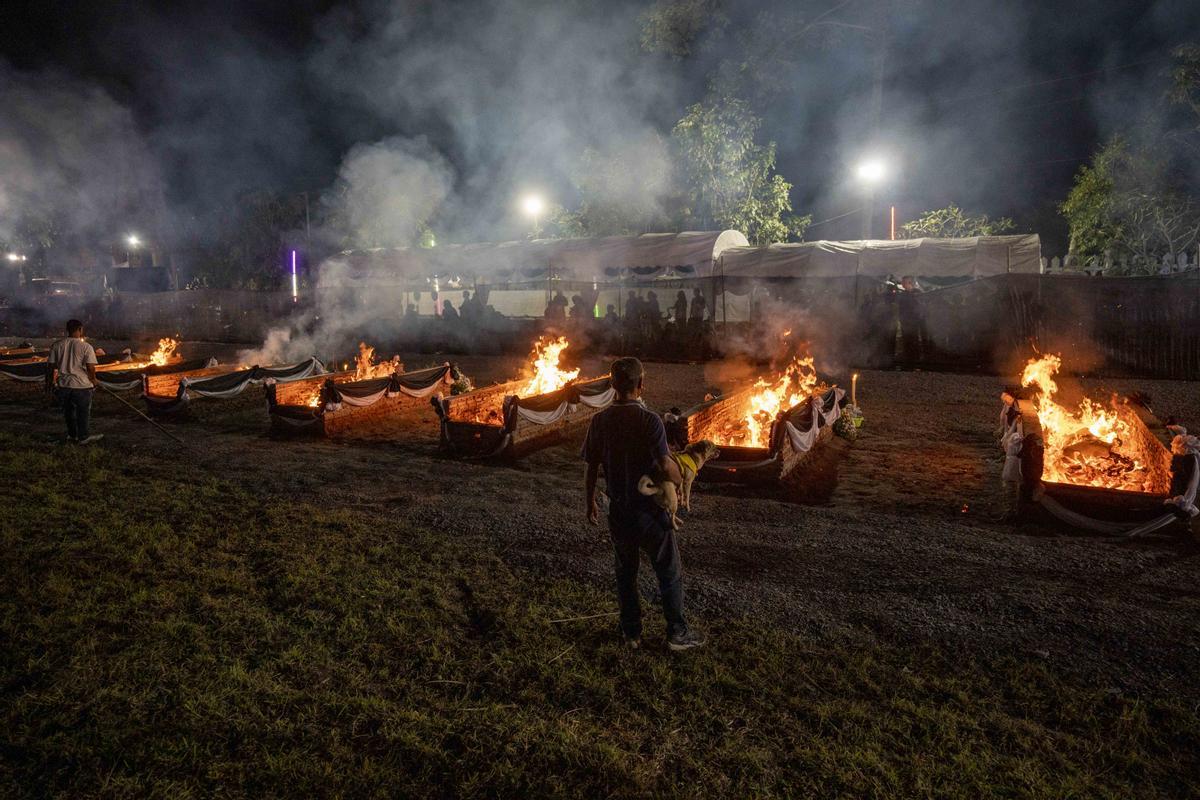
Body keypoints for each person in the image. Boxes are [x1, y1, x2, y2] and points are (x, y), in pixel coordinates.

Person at [582, 357, 704, 651]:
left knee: (626, 572)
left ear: (612, 385)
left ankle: (631, 633)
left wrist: (589, 502)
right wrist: (682, 470)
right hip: (649, 512)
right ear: (641, 385)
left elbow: (590, 465)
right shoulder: (650, 420)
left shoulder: (599, 421)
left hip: (618, 509)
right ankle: (677, 634)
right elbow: (664, 465)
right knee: (668, 571)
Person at [45, 318, 103, 444]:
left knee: (68, 412)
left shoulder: (57, 345)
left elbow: (50, 367)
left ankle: (72, 435)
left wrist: (49, 384)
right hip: (82, 386)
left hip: (64, 385)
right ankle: (83, 437)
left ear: (67, 330)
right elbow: (90, 367)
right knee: (83, 412)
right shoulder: (86, 347)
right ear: (80, 329)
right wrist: (93, 380)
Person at [896, 275, 925, 366]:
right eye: (903, 282)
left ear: (910, 283)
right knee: (906, 340)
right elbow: (900, 307)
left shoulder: (918, 292)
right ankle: (907, 358)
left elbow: (921, 306)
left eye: (904, 282)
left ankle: (915, 359)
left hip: (914, 321)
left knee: (913, 339)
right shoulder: (903, 294)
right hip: (905, 321)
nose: (902, 284)